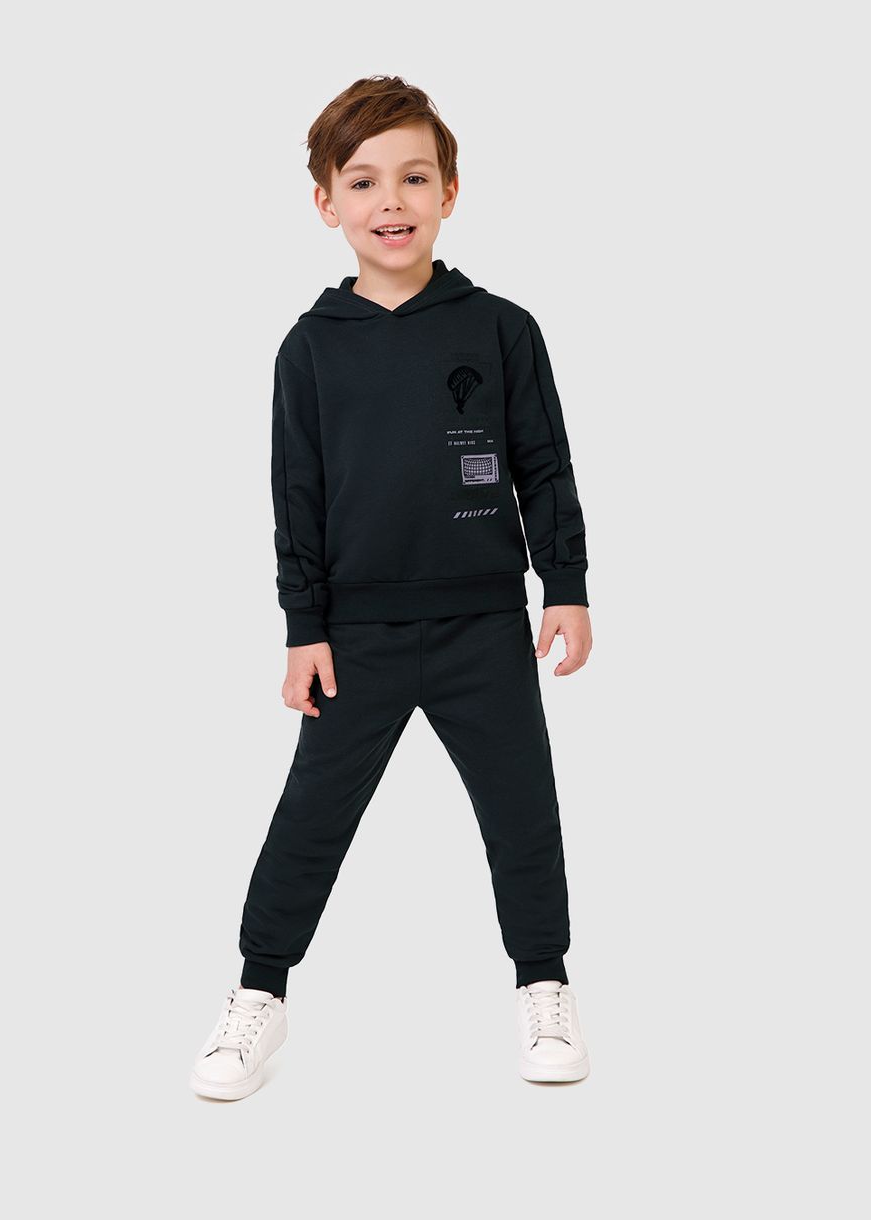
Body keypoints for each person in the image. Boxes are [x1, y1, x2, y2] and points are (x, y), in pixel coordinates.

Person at [190, 75, 593, 1101]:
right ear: (326, 201)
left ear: (449, 191)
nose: (391, 201)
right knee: (310, 819)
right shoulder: (310, 347)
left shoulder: (501, 330)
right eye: (363, 181)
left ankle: (544, 982)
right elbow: (296, 496)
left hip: (483, 625)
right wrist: (304, 626)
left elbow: (544, 465)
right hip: (356, 637)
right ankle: (259, 992)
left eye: (414, 177)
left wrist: (566, 584)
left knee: (523, 812)